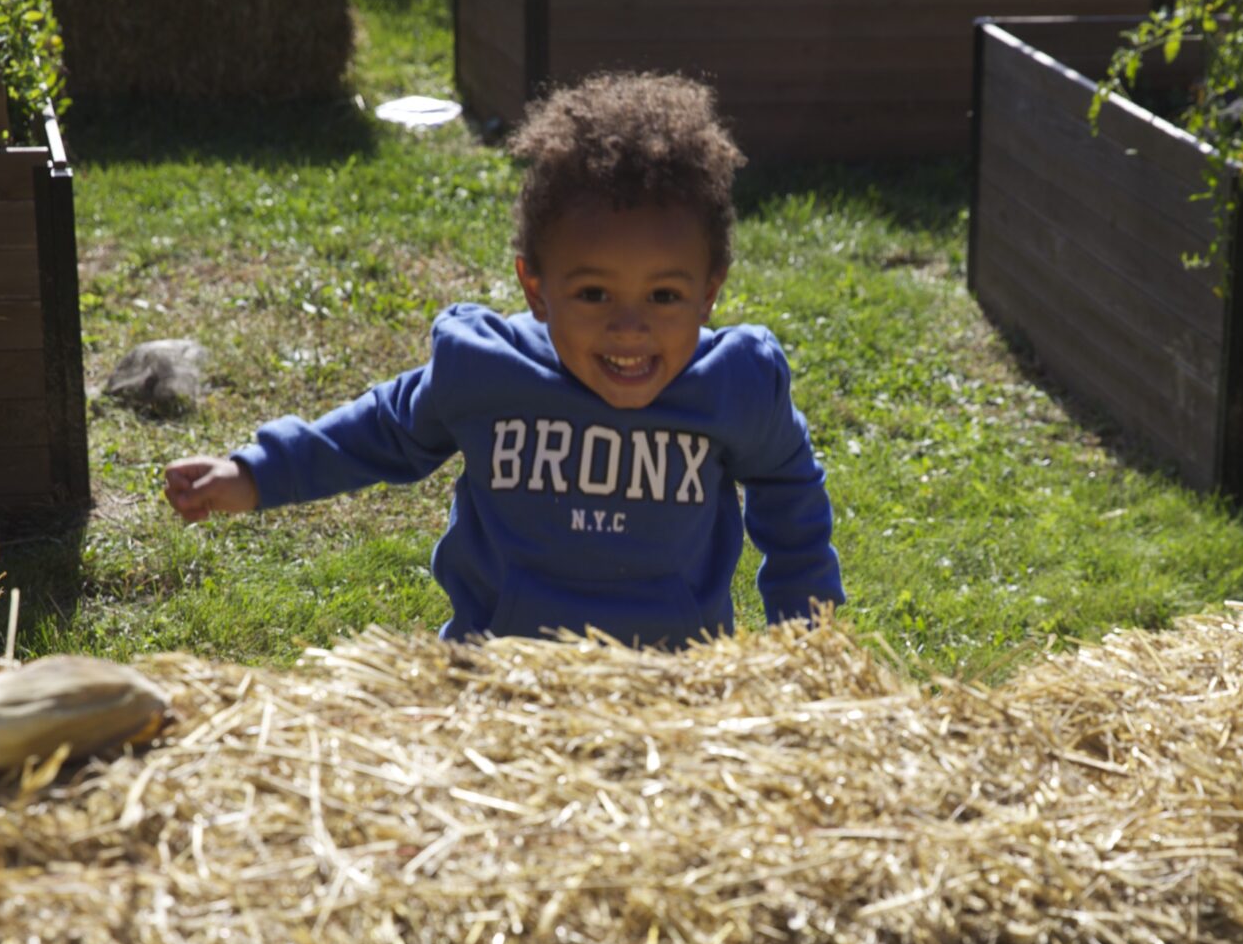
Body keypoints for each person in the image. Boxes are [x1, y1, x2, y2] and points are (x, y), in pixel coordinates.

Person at [162, 72, 843, 649]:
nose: (628, 327)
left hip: (671, 694)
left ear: (709, 292)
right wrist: (254, 473)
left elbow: (792, 495)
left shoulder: (736, 385)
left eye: (664, 294)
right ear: (536, 288)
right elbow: (381, 430)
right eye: (593, 292)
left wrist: (806, 640)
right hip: (496, 683)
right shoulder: (485, 369)